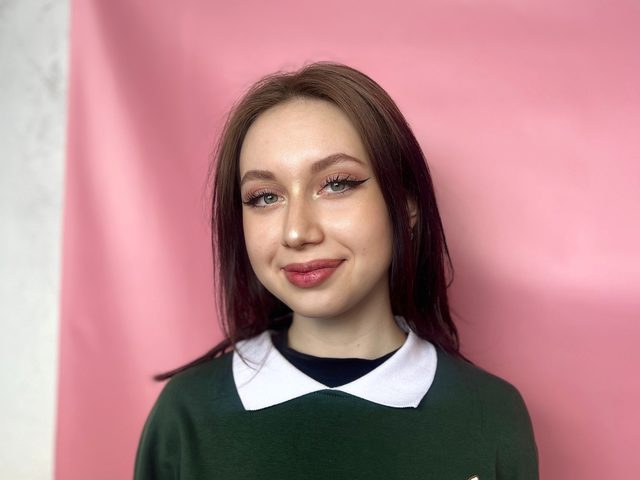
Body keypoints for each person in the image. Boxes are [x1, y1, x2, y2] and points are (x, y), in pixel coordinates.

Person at [134, 62, 538, 479]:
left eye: (337, 184)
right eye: (265, 196)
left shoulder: (491, 416)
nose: (296, 232)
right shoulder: (186, 416)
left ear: (406, 204)